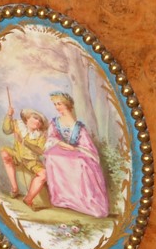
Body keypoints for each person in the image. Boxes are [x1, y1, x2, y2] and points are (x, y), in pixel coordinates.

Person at [22, 91, 111, 219]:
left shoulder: (79, 126)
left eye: (59, 104)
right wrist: (62, 144)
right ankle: (63, 198)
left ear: (67, 105)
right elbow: (51, 137)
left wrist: (74, 148)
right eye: (55, 104)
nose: (57, 107)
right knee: (53, 158)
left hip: (77, 152)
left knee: (82, 163)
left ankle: (83, 201)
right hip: (61, 150)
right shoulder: (55, 122)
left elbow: (87, 146)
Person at [0, 102, 50, 204]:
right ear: (27, 118)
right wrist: (9, 115)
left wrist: (24, 142)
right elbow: (6, 130)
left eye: (40, 121)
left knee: (44, 175)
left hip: (32, 161)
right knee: (4, 153)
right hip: (17, 155)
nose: (38, 122)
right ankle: (14, 188)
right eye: (35, 118)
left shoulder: (41, 136)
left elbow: (40, 151)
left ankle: (28, 198)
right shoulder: (18, 125)